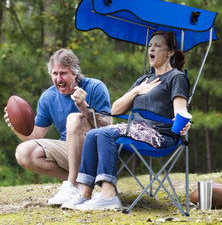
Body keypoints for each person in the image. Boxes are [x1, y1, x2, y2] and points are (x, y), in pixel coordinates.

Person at [60, 31, 191, 211]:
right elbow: (115, 109)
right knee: (92, 134)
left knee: (106, 133)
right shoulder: (144, 79)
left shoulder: (177, 77)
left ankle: (108, 196)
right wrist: (137, 90)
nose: (151, 49)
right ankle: (84, 194)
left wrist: (182, 122)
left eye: (157, 45)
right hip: (135, 129)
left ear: (170, 52)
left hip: (161, 135)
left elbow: (181, 110)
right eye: (150, 45)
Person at [4, 48, 112, 206]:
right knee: (24, 152)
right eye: (55, 74)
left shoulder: (95, 87)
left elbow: (108, 126)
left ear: (75, 74)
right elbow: (35, 135)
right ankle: (76, 184)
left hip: (97, 152)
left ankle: (74, 184)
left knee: (74, 119)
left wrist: (84, 109)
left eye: (63, 73)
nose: (58, 78)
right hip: (69, 151)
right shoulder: (48, 97)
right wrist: (15, 126)